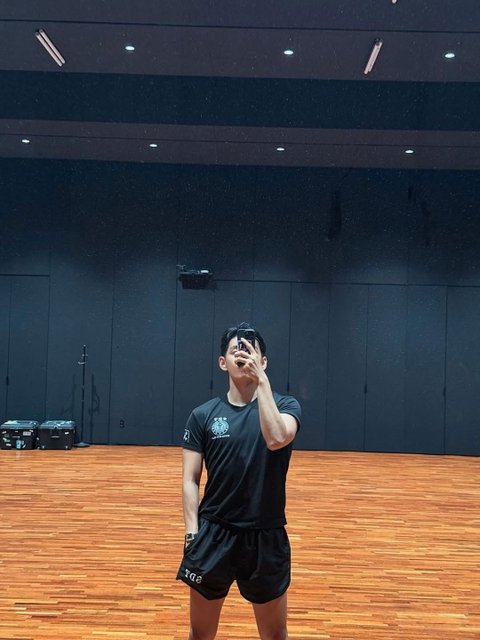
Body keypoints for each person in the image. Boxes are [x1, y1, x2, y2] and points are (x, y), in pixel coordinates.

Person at [176, 322, 301, 640]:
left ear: (264, 361)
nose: (243, 356)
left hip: (265, 534)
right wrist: (192, 533)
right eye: (236, 350)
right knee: (200, 634)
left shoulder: (286, 407)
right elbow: (190, 479)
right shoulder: (202, 416)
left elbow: (276, 438)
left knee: (275, 635)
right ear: (223, 362)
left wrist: (262, 383)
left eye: (250, 351)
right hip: (214, 533)